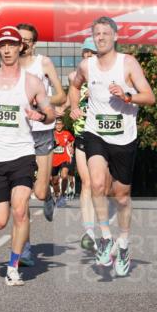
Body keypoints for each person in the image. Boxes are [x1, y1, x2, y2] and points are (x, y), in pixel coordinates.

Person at [69, 17, 155, 280]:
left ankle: (125, 244)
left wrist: (127, 96)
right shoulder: (87, 65)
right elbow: (74, 86)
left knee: (121, 196)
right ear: (93, 37)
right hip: (95, 133)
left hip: (124, 138)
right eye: (97, 33)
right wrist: (74, 106)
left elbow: (150, 97)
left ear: (115, 37)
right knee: (96, 184)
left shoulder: (128, 64)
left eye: (106, 33)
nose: (101, 37)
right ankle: (105, 239)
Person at [0, 26, 54, 286]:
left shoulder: (32, 82)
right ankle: (14, 252)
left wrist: (41, 115)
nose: (6, 50)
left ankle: (14, 265)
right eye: (2, 45)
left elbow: (50, 112)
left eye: (11, 45)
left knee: (19, 212)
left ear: (20, 47)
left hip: (22, 154)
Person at [18, 23, 67, 229]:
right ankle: (24, 247)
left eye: (26, 40)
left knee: (38, 191)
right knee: (20, 194)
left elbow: (61, 95)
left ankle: (47, 196)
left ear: (34, 44)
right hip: (17, 132)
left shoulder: (43, 63)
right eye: (18, 39)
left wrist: (41, 100)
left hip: (41, 130)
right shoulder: (8, 65)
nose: (22, 44)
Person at [69, 39, 98, 252]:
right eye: (85, 53)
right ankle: (89, 231)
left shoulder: (108, 78)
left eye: (92, 53)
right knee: (87, 182)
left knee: (101, 185)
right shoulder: (74, 78)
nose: (88, 57)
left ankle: (101, 222)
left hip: (103, 136)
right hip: (81, 134)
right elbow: (71, 104)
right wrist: (71, 107)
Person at [51, 117, 75, 207]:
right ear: (54, 125)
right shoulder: (51, 134)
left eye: (60, 124)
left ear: (63, 125)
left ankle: (63, 195)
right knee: (54, 181)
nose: (58, 126)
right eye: (57, 124)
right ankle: (57, 195)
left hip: (65, 158)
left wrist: (71, 147)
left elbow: (72, 140)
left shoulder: (67, 133)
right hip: (54, 159)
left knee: (64, 176)